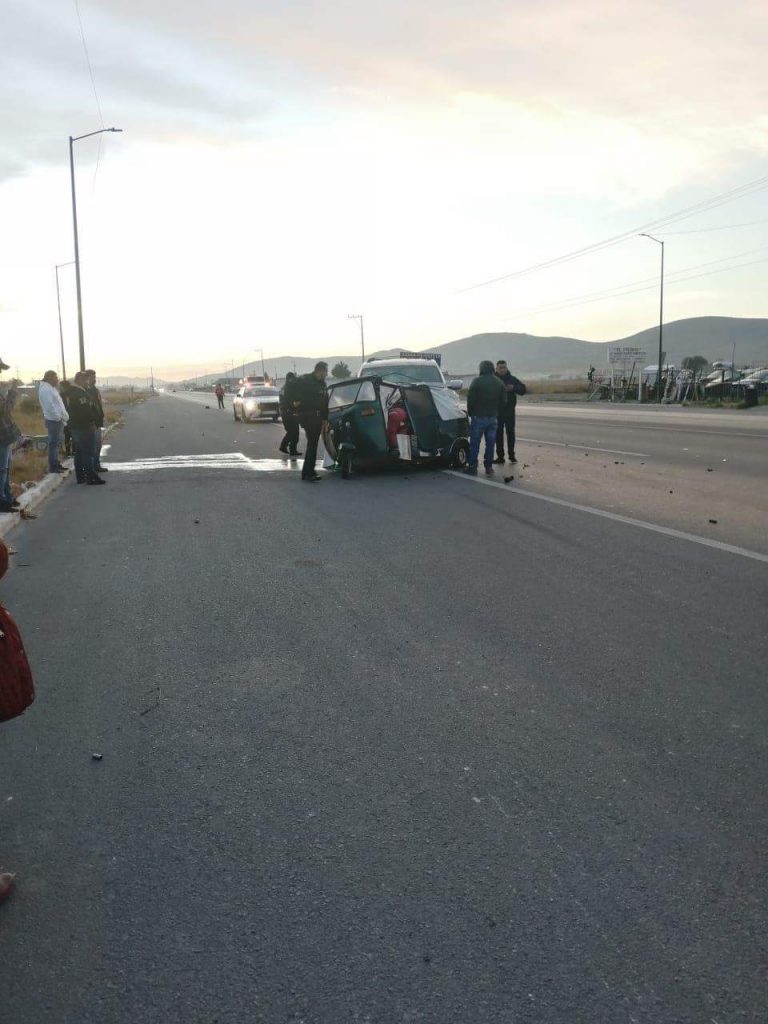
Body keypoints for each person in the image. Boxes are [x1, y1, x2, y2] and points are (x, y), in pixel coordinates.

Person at [466, 360, 505, 476]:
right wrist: (496, 412)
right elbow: (504, 401)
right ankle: (488, 467)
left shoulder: (477, 381)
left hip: (478, 416)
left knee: (475, 443)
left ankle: (472, 466)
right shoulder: (499, 382)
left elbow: (470, 399)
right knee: (490, 444)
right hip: (493, 417)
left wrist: (471, 412)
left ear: (481, 369)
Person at [293, 362, 329, 482]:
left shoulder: (322, 384)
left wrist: (325, 419)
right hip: (308, 416)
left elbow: (325, 402)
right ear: (320, 371)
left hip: (318, 417)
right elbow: (293, 387)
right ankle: (309, 472)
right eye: (325, 371)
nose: (326, 374)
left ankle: (307, 471)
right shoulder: (306, 380)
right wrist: (297, 402)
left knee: (313, 444)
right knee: (312, 444)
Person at [68, 372, 105, 485]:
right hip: (83, 427)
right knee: (88, 452)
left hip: (76, 427)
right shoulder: (79, 393)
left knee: (79, 452)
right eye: (86, 380)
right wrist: (91, 423)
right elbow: (85, 411)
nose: (88, 382)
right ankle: (91, 477)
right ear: (79, 380)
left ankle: (80, 477)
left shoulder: (73, 391)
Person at [493, 360, 526, 465]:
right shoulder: (493, 379)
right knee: (498, 435)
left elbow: (523, 390)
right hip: (497, 412)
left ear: (506, 368)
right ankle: (500, 457)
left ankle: (512, 455)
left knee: (511, 433)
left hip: (509, 411)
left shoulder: (512, 379)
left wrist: (514, 388)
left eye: (504, 367)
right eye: (500, 368)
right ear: (496, 368)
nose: (503, 369)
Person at [38, 371, 69, 474]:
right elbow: (49, 406)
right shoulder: (45, 389)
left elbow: (57, 404)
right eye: (55, 377)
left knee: (56, 444)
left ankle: (56, 464)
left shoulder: (50, 388)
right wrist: (58, 417)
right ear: (49, 378)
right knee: (53, 444)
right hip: (53, 420)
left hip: (57, 420)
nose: (57, 380)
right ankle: (53, 467)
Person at [0, 365, 21, 513]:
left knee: (5, 469)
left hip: (5, 436)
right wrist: (13, 391)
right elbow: (5, 409)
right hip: (1, 437)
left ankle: (7, 497)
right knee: (2, 470)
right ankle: (2, 501)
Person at [84, 370, 108, 472]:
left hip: (97, 422)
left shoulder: (95, 390)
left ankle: (96, 465)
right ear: (87, 378)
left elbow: (98, 404)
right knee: (92, 446)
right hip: (91, 423)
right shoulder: (85, 391)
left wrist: (101, 416)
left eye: (94, 377)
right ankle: (91, 467)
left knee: (98, 445)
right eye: (92, 377)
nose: (94, 379)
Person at [278, 372, 302, 457]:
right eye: (293, 379)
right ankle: (290, 449)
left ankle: (285, 447)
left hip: (285, 412)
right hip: (289, 413)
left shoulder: (284, 388)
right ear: (290, 379)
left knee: (291, 432)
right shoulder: (289, 389)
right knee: (294, 432)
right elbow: (294, 403)